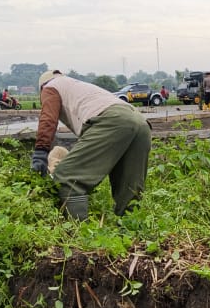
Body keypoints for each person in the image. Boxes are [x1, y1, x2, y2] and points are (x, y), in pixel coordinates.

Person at [30, 69, 151, 221]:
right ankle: (133, 234)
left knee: (68, 176)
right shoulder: (77, 86)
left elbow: (48, 119)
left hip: (113, 120)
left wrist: (41, 151)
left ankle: (78, 233)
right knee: (129, 188)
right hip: (140, 122)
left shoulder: (50, 87)